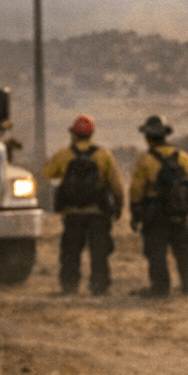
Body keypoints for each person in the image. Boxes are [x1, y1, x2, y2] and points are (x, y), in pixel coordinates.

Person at [43, 114, 125, 296]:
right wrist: (119, 206)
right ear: (92, 133)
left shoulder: (63, 154)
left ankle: (69, 286)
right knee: (99, 253)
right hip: (97, 212)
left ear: (73, 133)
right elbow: (116, 185)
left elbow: (47, 173)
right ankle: (99, 287)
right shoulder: (104, 155)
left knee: (70, 252)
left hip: (71, 212)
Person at [129, 115, 188, 297]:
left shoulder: (145, 160)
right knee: (184, 250)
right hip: (179, 211)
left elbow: (137, 189)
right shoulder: (183, 157)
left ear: (148, 137)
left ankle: (160, 288)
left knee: (156, 252)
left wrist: (136, 213)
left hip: (155, 212)